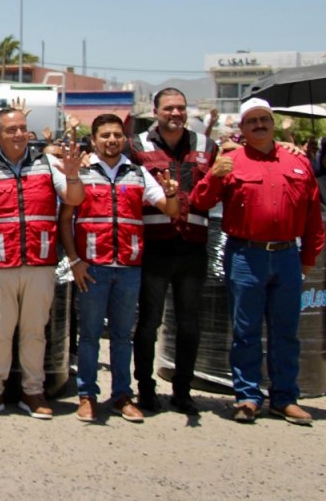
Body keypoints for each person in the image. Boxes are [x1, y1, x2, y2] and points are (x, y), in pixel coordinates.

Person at [190, 98, 324, 425]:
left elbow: (312, 216)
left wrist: (307, 258)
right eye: (253, 121)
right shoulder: (230, 160)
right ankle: (248, 396)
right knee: (246, 331)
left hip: (287, 257)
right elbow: (199, 201)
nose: (260, 125)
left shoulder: (298, 161)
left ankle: (284, 398)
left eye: (265, 119)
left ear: (273, 123)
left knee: (285, 331)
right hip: (245, 256)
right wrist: (215, 175)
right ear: (243, 128)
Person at [56, 114, 179, 423]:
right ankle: (87, 395)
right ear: (94, 140)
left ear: (124, 139)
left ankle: (122, 396)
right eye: (105, 135)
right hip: (92, 268)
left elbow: (170, 209)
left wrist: (174, 194)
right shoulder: (82, 173)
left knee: (123, 336)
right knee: (90, 336)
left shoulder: (139, 174)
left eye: (116, 135)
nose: (112, 140)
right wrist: (74, 261)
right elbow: (65, 220)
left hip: (128, 268)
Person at [0, 108, 84, 419]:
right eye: (11, 129)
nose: (19, 134)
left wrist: (72, 174)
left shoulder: (47, 165)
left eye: (23, 128)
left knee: (34, 332)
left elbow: (73, 198)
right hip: (0, 267)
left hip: (40, 265)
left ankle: (34, 391)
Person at [128, 88, 218, 415]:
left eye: (181, 108)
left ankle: (183, 390)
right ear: (156, 111)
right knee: (149, 322)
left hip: (192, 246)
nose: (175, 114)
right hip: (154, 247)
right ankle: (146, 390)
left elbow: (221, 179)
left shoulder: (207, 146)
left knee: (189, 323)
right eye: (169, 108)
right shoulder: (137, 145)